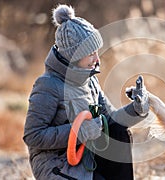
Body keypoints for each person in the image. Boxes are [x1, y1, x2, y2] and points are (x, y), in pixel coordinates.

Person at [23, 4, 149, 180]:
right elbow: (33, 136)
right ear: (72, 55)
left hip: (88, 157)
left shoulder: (90, 80)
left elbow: (109, 119)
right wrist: (78, 132)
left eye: (96, 52)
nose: (97, 59)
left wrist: (136, 109)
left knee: (119, 132)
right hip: (58, 165)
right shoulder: (47, 85)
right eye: (90, 54)